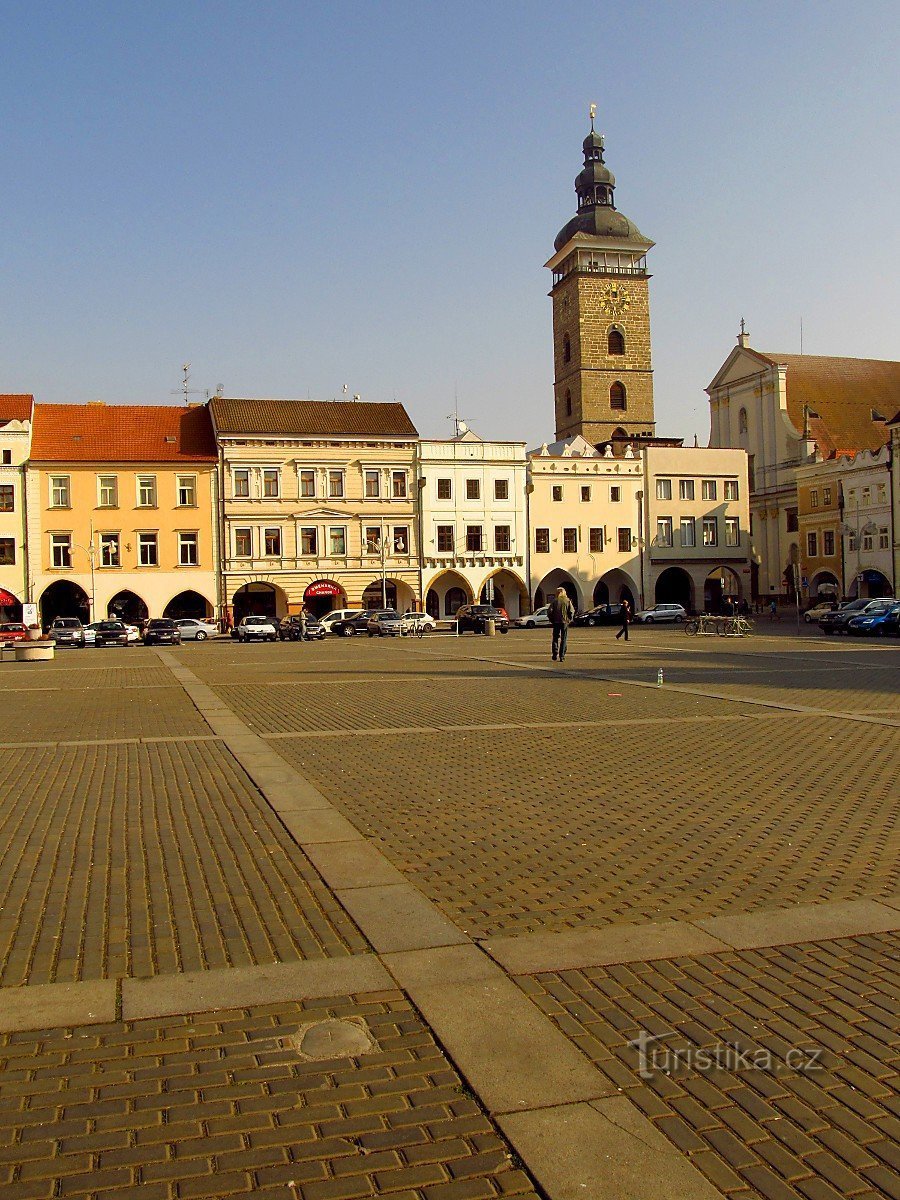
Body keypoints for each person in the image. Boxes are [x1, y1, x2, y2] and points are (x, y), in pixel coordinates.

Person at [547, 586, 574, 662]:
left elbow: (549, 612)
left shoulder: (554, 601)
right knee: (563, 639)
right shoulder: (567, 601)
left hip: (556, 622)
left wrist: (552, 619)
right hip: (564, 622)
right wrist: (569, 619)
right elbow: (571, 611)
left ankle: (555, 654)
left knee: (555, 638)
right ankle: (562, 656)